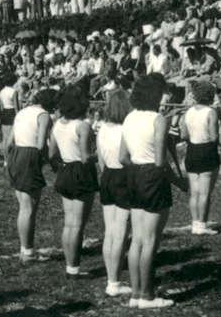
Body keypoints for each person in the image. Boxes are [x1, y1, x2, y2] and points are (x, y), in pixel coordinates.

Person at [120, 73, 188, 309]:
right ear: (156, 94)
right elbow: (160, 162)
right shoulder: (158, 120)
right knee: (150, 241)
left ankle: (136, 293)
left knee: (137, 239)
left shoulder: (129, 118)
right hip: (152, 176)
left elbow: (123, 157)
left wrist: (140, 168)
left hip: (134, 175)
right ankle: (147, 296)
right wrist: (179, 182)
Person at [48, 86, 99, 277]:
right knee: (77, 224)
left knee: (69, 223)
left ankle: (70, 265)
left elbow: (52, 153)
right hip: (81, 171)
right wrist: (101, 154)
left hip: (65, 169)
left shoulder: (57, 125)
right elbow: (86, 157)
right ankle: (74, 267)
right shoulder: (82, 127)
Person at [4, 88, 57, 263]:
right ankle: (28, 252)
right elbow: (42, 145)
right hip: (29, 155)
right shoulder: (43, 115)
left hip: (16, 154)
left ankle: (25, 248)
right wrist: (52, 162)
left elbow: (9, 142)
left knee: (24, 206)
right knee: (29, 207)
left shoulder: (22, 112)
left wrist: (9, 161)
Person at [97, 90, 133, 297]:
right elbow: (126, 157)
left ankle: (112, 278)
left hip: (107, 175)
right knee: (120, 232)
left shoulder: (102, 127)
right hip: (122, 176)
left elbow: (101, 159)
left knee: (110, 230)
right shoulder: (125, 130)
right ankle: (114, 282)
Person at [179, 81, 220, 236]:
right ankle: (202, 225)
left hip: (192, 150)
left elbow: (183, 135)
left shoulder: (188, 112)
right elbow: (214, 137)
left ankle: (196, 222)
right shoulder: (211, 112)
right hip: (207, 150)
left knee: (195, 192)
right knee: (204, 192)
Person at [0, 72, 20, 163]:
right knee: (12, 137)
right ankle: (11, 158)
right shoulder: (14, 91)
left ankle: (6, 159)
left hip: (4, 112)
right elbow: (16, 106)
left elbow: (1, 105)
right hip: (11, 112)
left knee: (5, 137)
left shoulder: (1, 91)